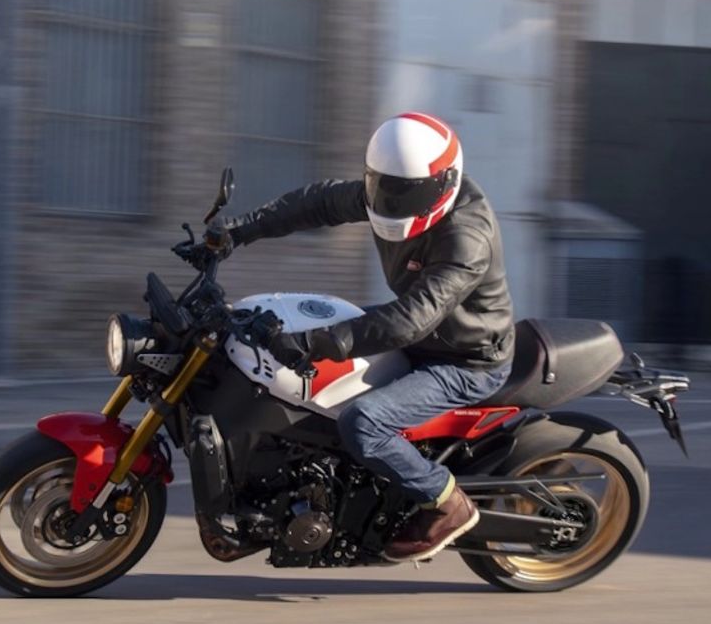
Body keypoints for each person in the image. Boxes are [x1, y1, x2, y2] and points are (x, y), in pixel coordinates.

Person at [218, 112, 515, 562]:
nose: (393, 203)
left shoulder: (466, 237)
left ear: (445, 182)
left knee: (364, 423)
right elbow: (317, 203)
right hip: (423, 332)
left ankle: (448, 503)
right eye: (383, 187)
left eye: (406, 193)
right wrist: (237, 231)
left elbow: (411, 319)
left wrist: (318, 342)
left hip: (463, 359)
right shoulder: (392, 194)